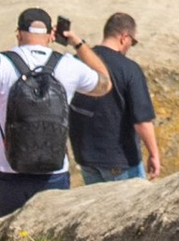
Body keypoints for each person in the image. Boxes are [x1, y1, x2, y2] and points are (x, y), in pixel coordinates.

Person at [0, 5, 103, 218]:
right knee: (50, 231)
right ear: (51, 35)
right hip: (53, 170)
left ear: (18, 33)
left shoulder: (1, 62)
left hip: (6, 168)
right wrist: (77, 42)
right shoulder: (68, 64)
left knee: (6, 234)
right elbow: (105, 83)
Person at [69, 11, 161, 185]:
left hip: (85, 157)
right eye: (133, 42)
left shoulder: (77, 61)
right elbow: (142, 121)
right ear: (124, 37)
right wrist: (154, 154)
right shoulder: (129, 69)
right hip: (120, 160)